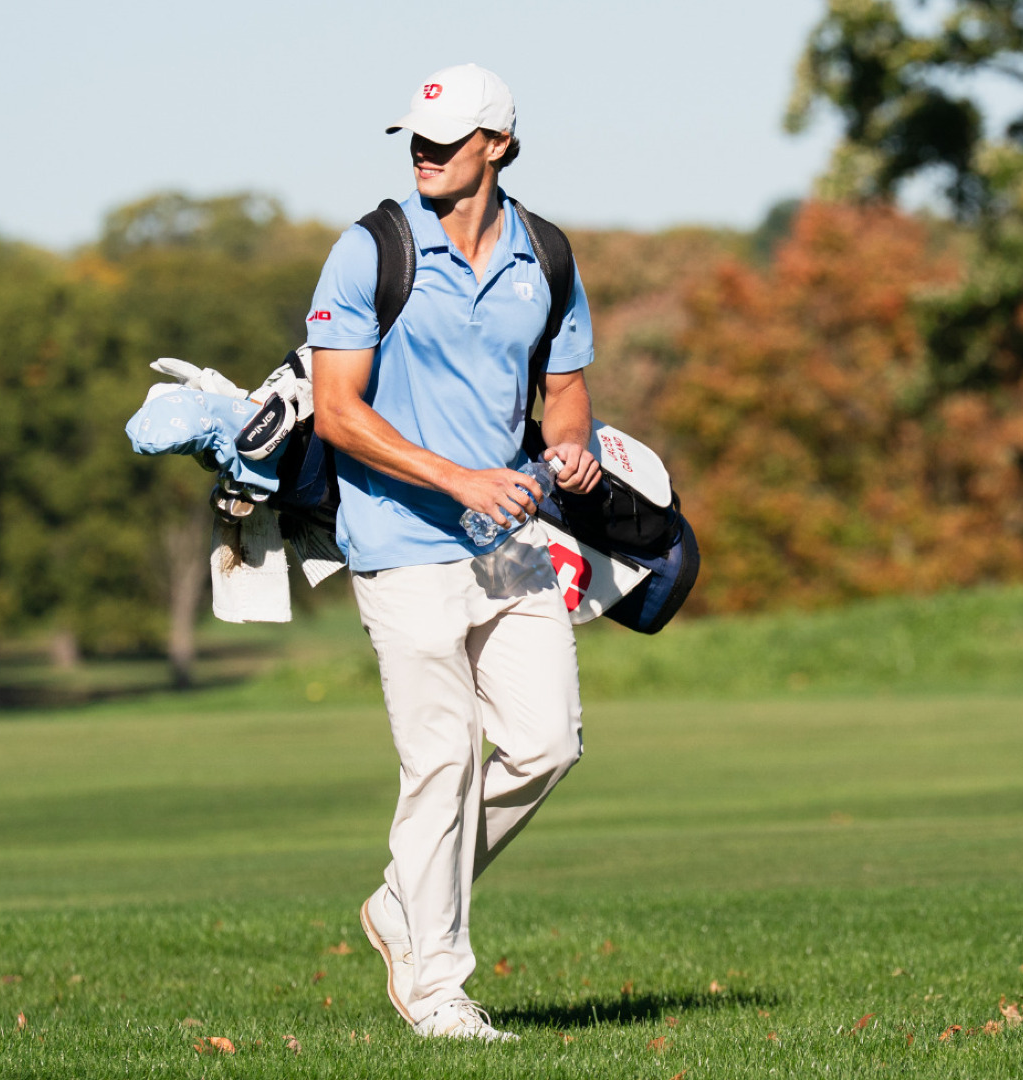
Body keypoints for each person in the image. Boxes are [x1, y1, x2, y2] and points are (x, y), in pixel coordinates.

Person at [305, 62, 601, 1042]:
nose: (425, 153)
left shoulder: (545, 255)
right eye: (416, 140)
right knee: (440, 763)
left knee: (547, 742)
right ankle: (435, 989)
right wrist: (457, 479)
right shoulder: (370, 251)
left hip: (508, 540)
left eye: (446, 139)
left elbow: (563, 392)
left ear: (498, 145)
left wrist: (571, 453)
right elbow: (338, 413)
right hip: (397, 543)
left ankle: (403, 902)